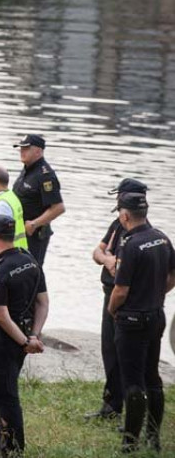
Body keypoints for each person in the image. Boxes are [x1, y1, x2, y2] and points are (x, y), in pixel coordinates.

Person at [107, 191, 173, 453]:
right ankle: (153, 438)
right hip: (156, 316)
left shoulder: (131, 244)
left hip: (132, 320)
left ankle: (129, 443)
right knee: (153, 379)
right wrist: (156, 294)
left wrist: (113, 310)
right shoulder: (162, 238)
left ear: (124, 215)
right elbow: (173, 274)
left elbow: (120, 290)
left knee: (132, 382)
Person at [0, 214, 49, 457]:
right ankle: (4, 439)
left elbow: (1, 315)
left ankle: (11, 447)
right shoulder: (30, 259)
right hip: (24, 335)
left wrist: (24, 341)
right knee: (8, 389)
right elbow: (43, 302)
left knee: (5, 395)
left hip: (4, 340)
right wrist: (33, 336)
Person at [85, 178, 148, 421]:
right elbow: (97, 252)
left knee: (125, 355)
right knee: (109, 350)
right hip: (109, 293)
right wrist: (107, 260)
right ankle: (111, 404)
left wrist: (113, 262)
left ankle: (127, 411)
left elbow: (126, 269)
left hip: (122, 300)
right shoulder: (117, 224)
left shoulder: (139, 232)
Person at [12, 134, 65, 266]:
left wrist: (34, 224)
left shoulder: (45, 176)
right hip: (19, 232)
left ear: (38, 151)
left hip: (34, 235)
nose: (21, 151)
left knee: (31, 271)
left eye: (26, 149)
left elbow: (58, 207)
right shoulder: (27, 170)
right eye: (21, 148)